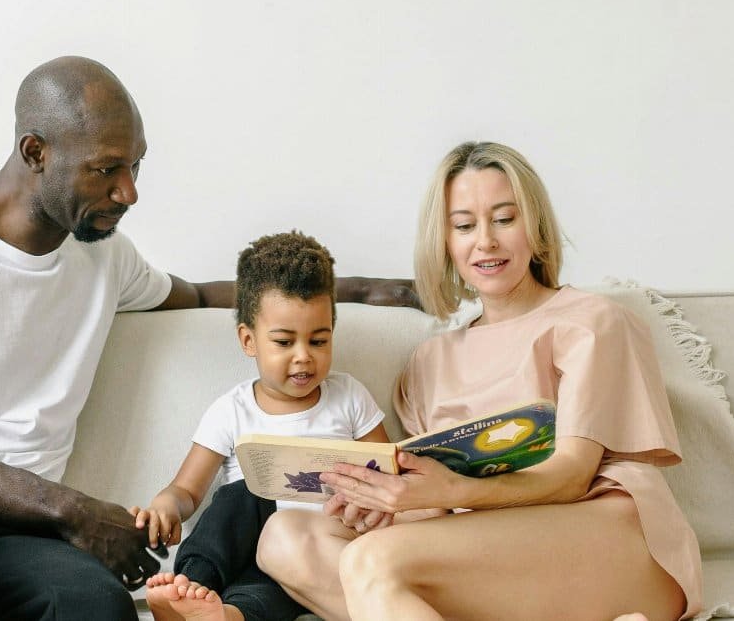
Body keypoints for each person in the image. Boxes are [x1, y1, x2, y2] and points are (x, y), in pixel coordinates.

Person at [0, 56, 419, 621]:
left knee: (92, 603)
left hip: (12, 530)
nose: (130, 191)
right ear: (35, 151)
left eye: (136, 165)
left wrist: (363, 288)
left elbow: (197, 295)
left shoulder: (104, 258)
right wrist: (71, 510)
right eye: (106, 170)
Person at [256, 141, 703, 621]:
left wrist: (446, 493)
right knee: (283, 540)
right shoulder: (429, 361)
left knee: (371, 561)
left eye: (505, 219)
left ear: (535, 227)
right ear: (445, 242)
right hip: (493, 549)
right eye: (464, 226)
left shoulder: (593, 321)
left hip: (609, 535)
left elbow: (573, 476)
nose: (485, 241)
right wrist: (390, 503)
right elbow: (442, 514)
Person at [133, 231, 392, 621]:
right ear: (249, 340)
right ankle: (189, 586)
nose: (304, 357)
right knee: (241, 496)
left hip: (312, 552)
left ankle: (225, 614)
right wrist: (166, 505)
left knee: (271, 594)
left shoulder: (350, 396)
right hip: (240, 543)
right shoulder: (232, 410)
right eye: (285, 343)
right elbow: (187, 488)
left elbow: (387, 472)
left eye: (318, 341)